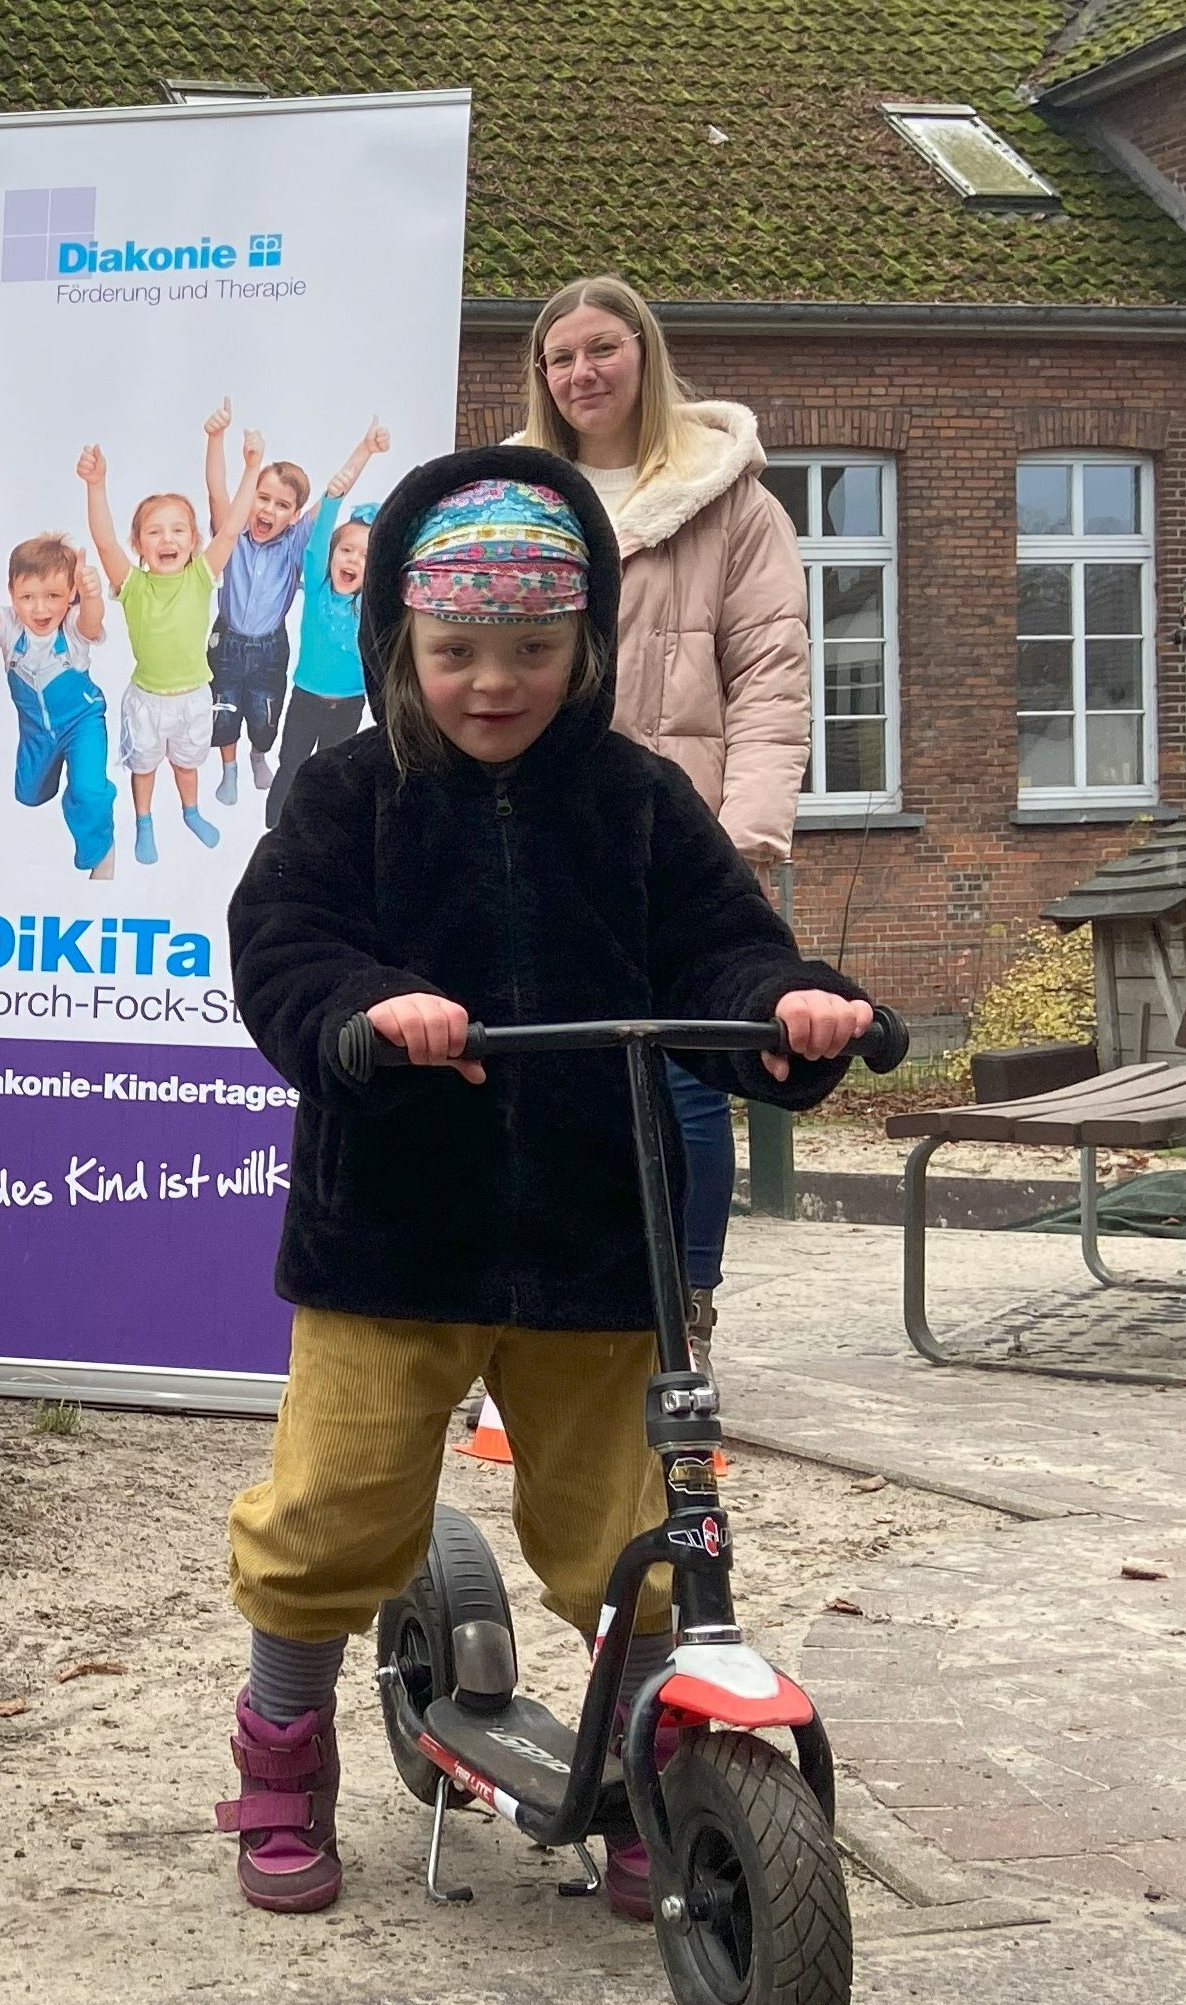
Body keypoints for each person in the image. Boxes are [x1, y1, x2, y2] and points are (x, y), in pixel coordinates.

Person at [218, 450, 877, 1916]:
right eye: (457, 650)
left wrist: (780, 1007)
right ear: (401, 639)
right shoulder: (347, 794)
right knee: (330, 1512)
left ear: (582, 645)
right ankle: (282, 1747)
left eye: (530, 648)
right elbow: (281, 946)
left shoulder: (633, 798)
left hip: (596, 1231)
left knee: (633, 1529)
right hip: (394, 1234)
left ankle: (653, 1764)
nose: (493, 682)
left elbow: (716, 945)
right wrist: (366, 1007)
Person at [518, 274, 810, 1351]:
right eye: (560, 357)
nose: (582, 372)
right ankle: (555, 1306)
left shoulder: (731, 502)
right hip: (540, 830)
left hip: (677, 835)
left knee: (686, 1076)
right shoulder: (516, 496)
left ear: (645, 354)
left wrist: (743, 837)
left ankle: (681, 1309)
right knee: (548, 1067)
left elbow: (771, 675)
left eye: (602, 348)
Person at [205, 408, 387, 808]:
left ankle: (258, 754)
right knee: (224, 711)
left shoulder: (295, 544)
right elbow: (217, 493)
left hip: (270, 647)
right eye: (262, 498)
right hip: (227, 639)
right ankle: (229, 768)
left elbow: (333, 496)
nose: (269, 510)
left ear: (295, 516)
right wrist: (217, 440)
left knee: (265, 719)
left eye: (282, 505)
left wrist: (365, 449)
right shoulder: (231, 534)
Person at [78, 443, 234, 861]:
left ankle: (191, 812)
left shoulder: (201, 576)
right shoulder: (133, 586)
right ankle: (144, 822)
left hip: (193, 699)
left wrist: (252, 467)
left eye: (179, 530)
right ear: (139, 544)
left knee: (187, 765)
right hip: (147, 701)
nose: (167, 538)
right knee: (143, 768)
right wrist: (96, 485)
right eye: (154, 531)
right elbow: (105, 543)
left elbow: (231, 531)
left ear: (194, 540)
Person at [0, 532, 115, 878]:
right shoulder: (10, 628)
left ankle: (100, 848)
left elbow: (91, 623)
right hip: (36, 732)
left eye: (53, 596)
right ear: (12, 593)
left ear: (70, 594)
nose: (40, 609)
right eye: (27, 597)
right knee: (30, 795)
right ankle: (63, 784)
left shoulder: (72, 627)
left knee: (88, 789)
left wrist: (91, 596)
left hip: (82, 721)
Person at [264, 503, 378, 830]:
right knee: (292, 764)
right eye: (346, 550)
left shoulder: (370, 604)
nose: (353, 560)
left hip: (349, 704)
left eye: (366, 556)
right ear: (331, 554)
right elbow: (314, 548)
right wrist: (333, 499)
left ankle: (315, 829)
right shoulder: (317, 588)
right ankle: (275, 826)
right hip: (306, 700)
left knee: (330, 771)